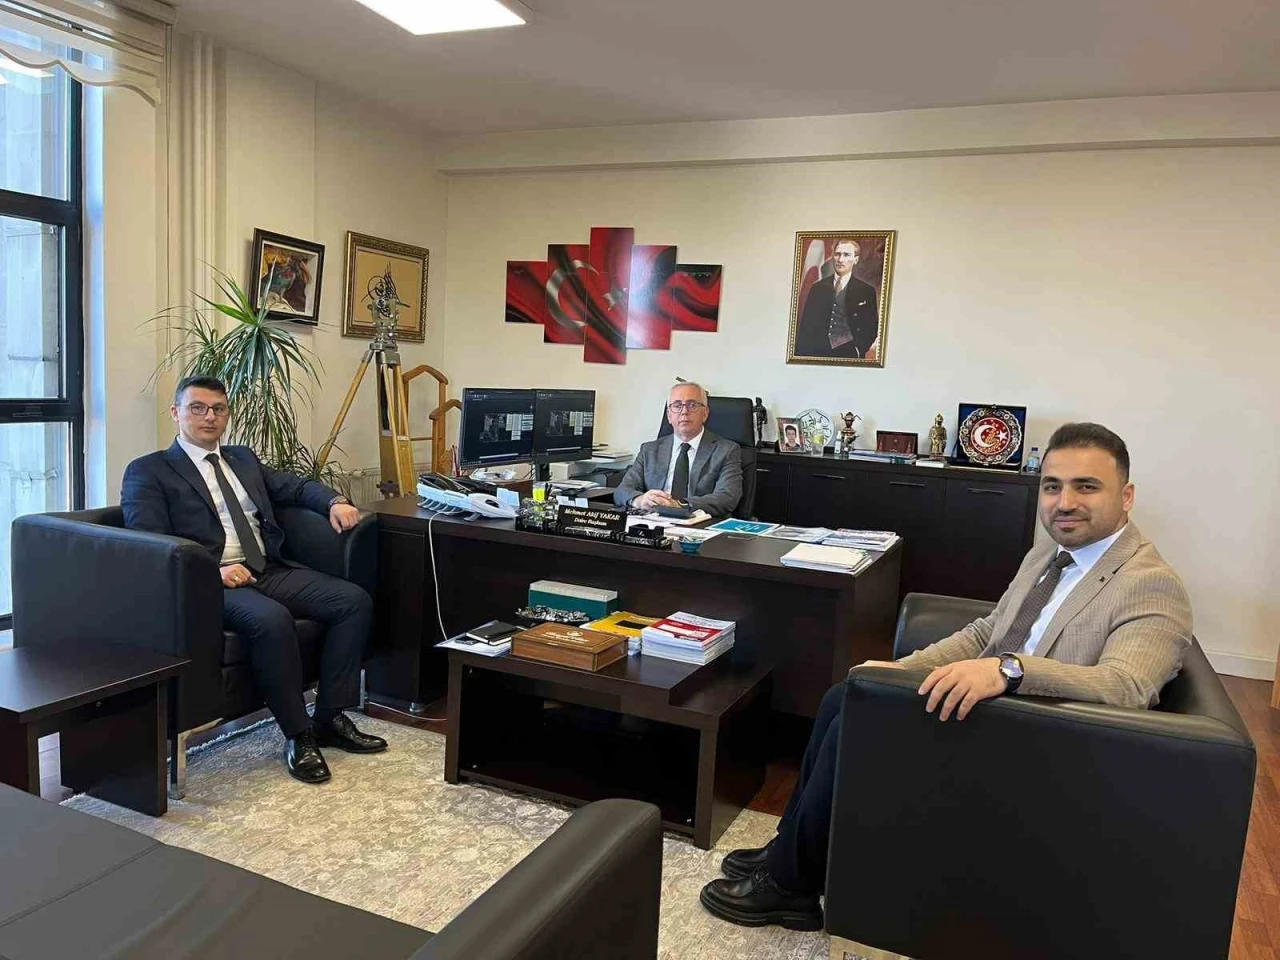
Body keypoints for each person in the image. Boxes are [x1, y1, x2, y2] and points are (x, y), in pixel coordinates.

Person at [699, 422, 1192, 930]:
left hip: (1041, 742)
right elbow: (986, 633)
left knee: (856, 724)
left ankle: (788, 887)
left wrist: (1010, 671)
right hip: (991, 707)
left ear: (1126, 496)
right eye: (1052, 486)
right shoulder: (1048, 553)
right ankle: (790, 851)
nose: (1064, 503)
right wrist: (901, 670)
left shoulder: (1150, 583)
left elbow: (1127, 686)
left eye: (1085, 486)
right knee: (845, 694)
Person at [121, 375, 388, 785]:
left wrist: (334, 501)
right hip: (208, 582)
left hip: (265, 569)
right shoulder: (149, 470)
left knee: (352, 601)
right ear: (176, 412)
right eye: (197, 408)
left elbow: (294, 486)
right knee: (272, 620)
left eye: (218, 409)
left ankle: (329, 718)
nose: (209, 417)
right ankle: (298, 735)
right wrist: (212, 569)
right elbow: (150, 540)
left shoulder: (242, 459)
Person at [614, 382, 743, 518]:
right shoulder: (649, 450)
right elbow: (622, 490)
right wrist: (640, 500)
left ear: (705, 413)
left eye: (692, 405)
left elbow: (727, 497)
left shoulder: (726, 450)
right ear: (669, 415)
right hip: (653, 521)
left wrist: (679, 505)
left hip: (698, 522)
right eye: (677, 406)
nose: (684, 411)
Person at [793, 239, 880, 361]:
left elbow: (872, 327)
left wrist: (858, 350)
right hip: (816, 354)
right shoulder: (818, 288)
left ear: (856, 259)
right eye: (837, 254)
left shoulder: (866, 291)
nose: (840, 259)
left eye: (846, 255)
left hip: (849, 355)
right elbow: (806, 327)